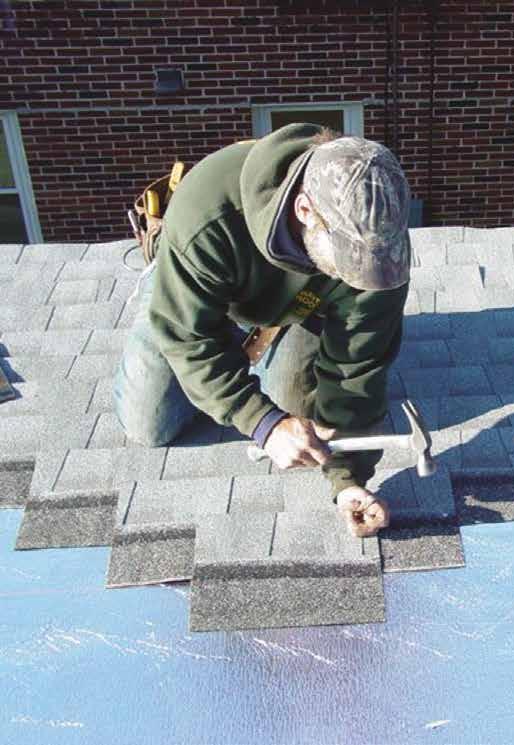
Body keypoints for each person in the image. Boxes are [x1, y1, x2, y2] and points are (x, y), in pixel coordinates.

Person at [114, 124, 412, 537]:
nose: (360, 274)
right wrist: (263, 422)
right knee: (150, 424)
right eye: (348, 260)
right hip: (195, 290)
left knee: (304, 426)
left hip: (298, 303)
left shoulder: (379, 247)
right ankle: (167, 297)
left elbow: (356, 372)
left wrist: (347, 481)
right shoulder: (208, 214)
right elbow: (189, 338)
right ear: (305, 210)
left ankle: (262, 344)